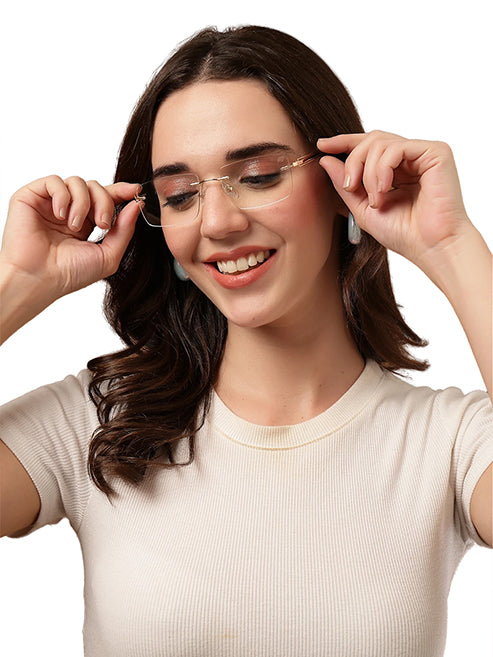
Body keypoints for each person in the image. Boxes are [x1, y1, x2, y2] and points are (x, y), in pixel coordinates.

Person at [0, 24, 491, 657]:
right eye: (180, 195)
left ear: (340, 185)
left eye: (258, 175)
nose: (218, 222)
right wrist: (17, 283)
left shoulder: (446, 444)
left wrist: (452, 246)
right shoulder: (95, 425)